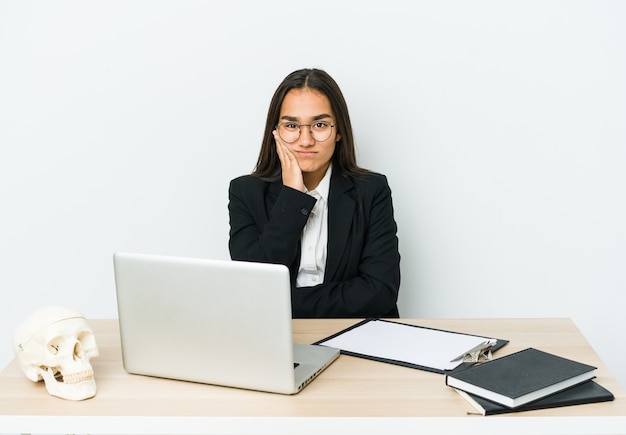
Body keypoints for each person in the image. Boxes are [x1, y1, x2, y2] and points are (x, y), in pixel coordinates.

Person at [228, 68, 400, 318]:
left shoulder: (371, 190)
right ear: (275, 132)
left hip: (356, 334)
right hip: (276, 335)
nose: (305, 140)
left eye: (319, 125)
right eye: (292, 125)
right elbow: (254, 287)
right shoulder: (245, 192)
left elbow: (380, 291)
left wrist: (286, 304)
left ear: (339, 131)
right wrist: (292, 198)